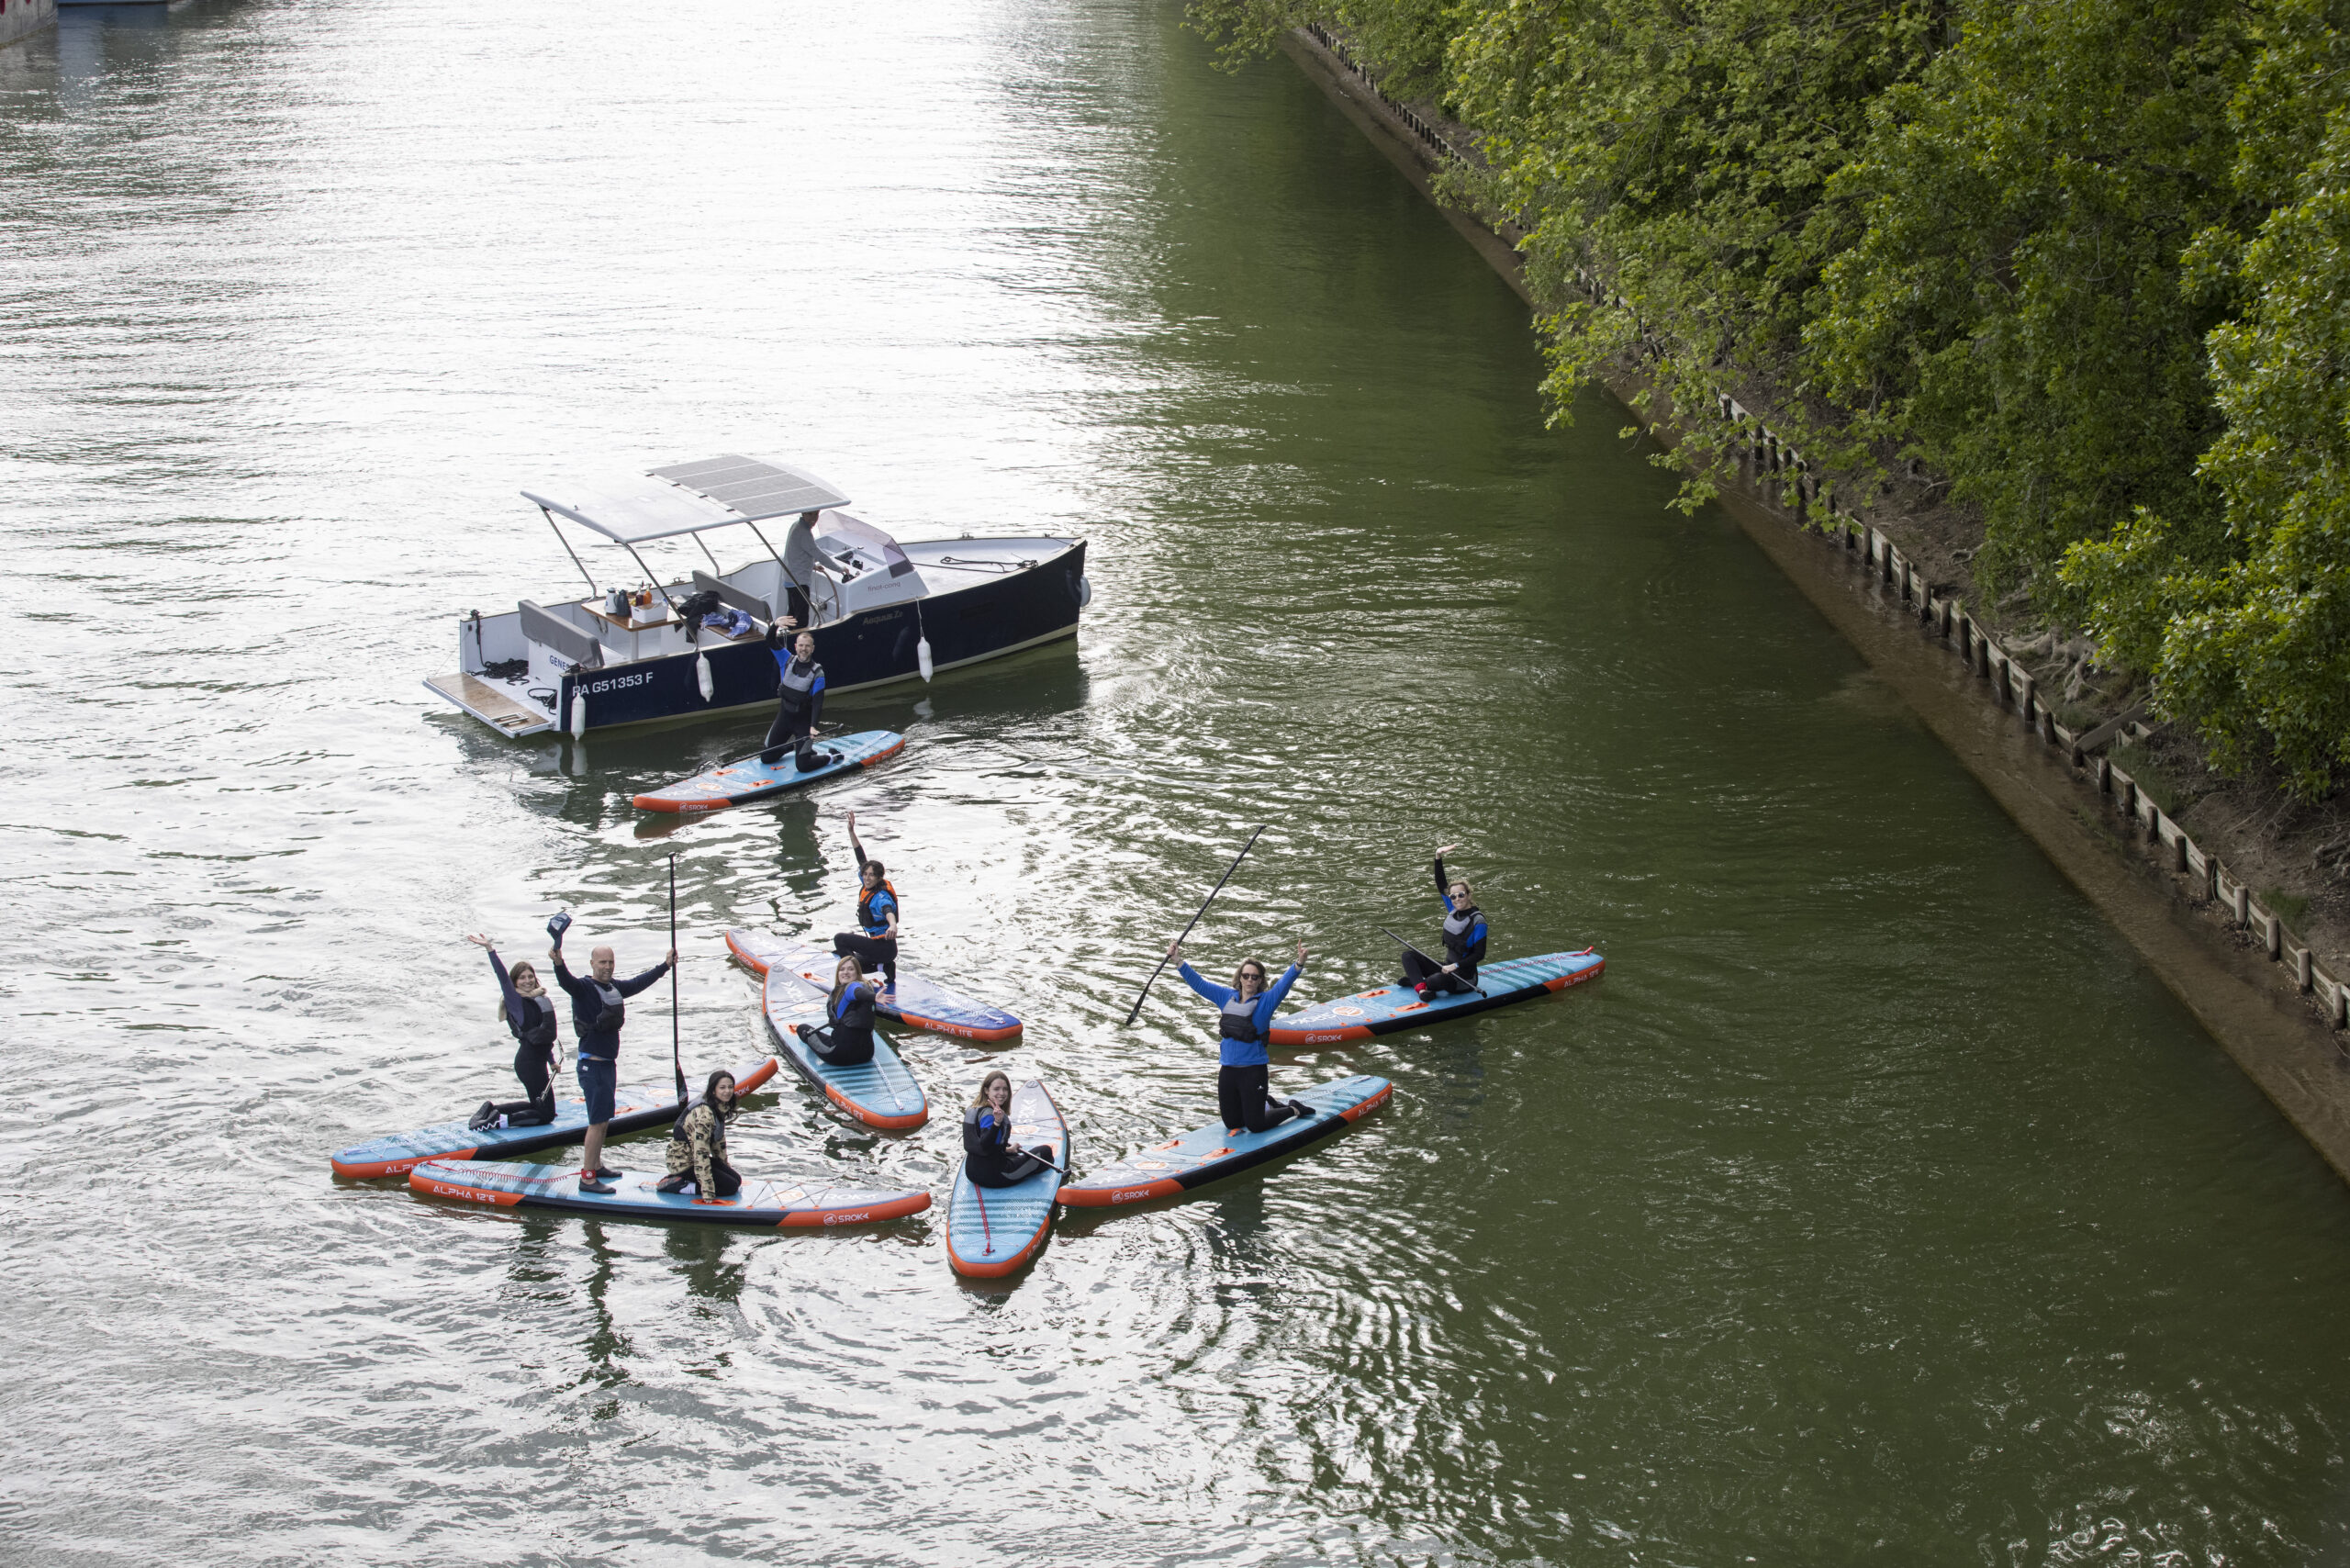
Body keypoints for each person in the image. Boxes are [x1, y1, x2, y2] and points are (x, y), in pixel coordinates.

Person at [550, 921, 677, 1194]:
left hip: (607, 1065)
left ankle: (596, 1165)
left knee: (605, 1119)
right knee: (596, 1123)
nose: (607, 967)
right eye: (602, 962)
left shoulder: (615, 987)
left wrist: (665, 966)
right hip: (591, 1066)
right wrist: (558, 962)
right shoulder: (583, 988)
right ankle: (587, 1179)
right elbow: (565, 980)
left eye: (611, 962)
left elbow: (638, 983)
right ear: (593, 963)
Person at [1172, 939, 1316, 1135]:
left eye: (1255, 977)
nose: (1250, 980)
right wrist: (1178, 960)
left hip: (1253, 1071)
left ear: (1260, 981)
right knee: (1233, 1123)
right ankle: (1267, 1102)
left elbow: (1284, 984)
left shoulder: (1266, 1002)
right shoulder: (1226, 997)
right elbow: (1199, 984)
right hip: (1228, 1071)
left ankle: (1293, 1108)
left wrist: (1298, 964)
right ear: (1240, 977)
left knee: (1255, 1125)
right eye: (1246, 975)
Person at [464, 934, 561, 1130]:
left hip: (536, 1060)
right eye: (522, 978)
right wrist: (490, 950)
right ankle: (500, 1121)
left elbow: (541, 1036)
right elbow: (502, 977)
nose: (527, 981)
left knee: (538, 1106)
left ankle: (493, 1109)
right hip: (528, 1064)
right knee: (547, 1114)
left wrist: (551, 1061)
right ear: (515, 982)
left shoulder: (537, 1000)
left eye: (530, 976)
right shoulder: (515, 1001)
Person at [1401, 844, 1486, 999]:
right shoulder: (1453, 909)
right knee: (1408, 956)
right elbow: (1441, 883)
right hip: (1446, 968)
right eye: (1453, 896)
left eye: (1461, 895)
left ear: (1468, 894)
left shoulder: (1478, 921)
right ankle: (1421, 988)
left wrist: (1456, 966)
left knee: (1435, 980)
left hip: (1464, 978)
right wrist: (1438, 855)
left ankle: (1422, 982)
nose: (1457, 899)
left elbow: (1479, 954)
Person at [832, 811, 901, 996]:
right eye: (865, 874)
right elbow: (860, 856)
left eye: (871, 875)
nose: (867, 878)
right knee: (840, 956)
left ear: (879, 878)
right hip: (882, 952)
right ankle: (885, 967)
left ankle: (853, 981)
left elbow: (888, 910)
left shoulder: (880, 897)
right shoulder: (866, 885)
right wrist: (851, 831)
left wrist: (893, 924)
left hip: (883, 946)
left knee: (840, 939)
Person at [655, 1070, 743, 1198]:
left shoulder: (720, 1106)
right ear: (713, 1090)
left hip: (694, 1157)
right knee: (729, 1187)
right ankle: (680, 1186)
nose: (727, 1091)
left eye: (730, 1087)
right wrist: (707, 1189)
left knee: (736, 1180)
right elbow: (700, 1152)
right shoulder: (705, 1115)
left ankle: (680, 1179)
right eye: (722, 1088)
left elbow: (718, 1141)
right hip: (683, 1162)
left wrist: (724, 1167)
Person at [962, 1070, 1057, 1188]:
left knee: (1015, 1155)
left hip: (972, 1173)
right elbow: (986, 1145)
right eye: (996, 1089)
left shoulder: (976, 1109)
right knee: (1045, 1152)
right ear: (986, 1090)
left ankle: (1014, 1157)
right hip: (996, 1176)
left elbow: (986, 1148)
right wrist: (997, 1122)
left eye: (1005, 1089)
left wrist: (1009, 1150)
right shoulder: (990, 1116)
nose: (1002, 1093)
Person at [760, 620, 828, 769]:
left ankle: (830, 757)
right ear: (796, 647)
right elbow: (769, 639)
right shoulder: (786, 659)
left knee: (803, 766)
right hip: (784, 718)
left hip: (803, 724)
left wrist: (813, 727)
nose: (804, 649)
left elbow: (818, 704)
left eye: (807, 646)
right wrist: (776, 624)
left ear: (812, 649)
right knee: (766, 757)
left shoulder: (818, 674)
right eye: (801, 646)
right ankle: (790, 748)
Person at [794, 953, 881, 1066]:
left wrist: (873, 996)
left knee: (803, 1029)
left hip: (839, 1055)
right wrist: (873, 996)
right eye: (842, 969)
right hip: (866, 1054)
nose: (845, 972)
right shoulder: (867, 988)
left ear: (857, 973)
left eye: (851, 969)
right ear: (838, 973)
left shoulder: (852, 988)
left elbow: (856, 991)